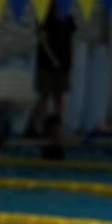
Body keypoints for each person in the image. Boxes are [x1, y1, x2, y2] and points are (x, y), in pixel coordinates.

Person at [33, 7, 76, 136]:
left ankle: (59, 127)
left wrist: (71, 60)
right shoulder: (44, 18)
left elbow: (71, 41)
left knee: (59, 96)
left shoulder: (68, 18)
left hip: (63, 63)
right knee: (45, 95)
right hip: (46, 64)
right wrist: (53, 59)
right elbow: (43, 41)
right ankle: (45, 126)